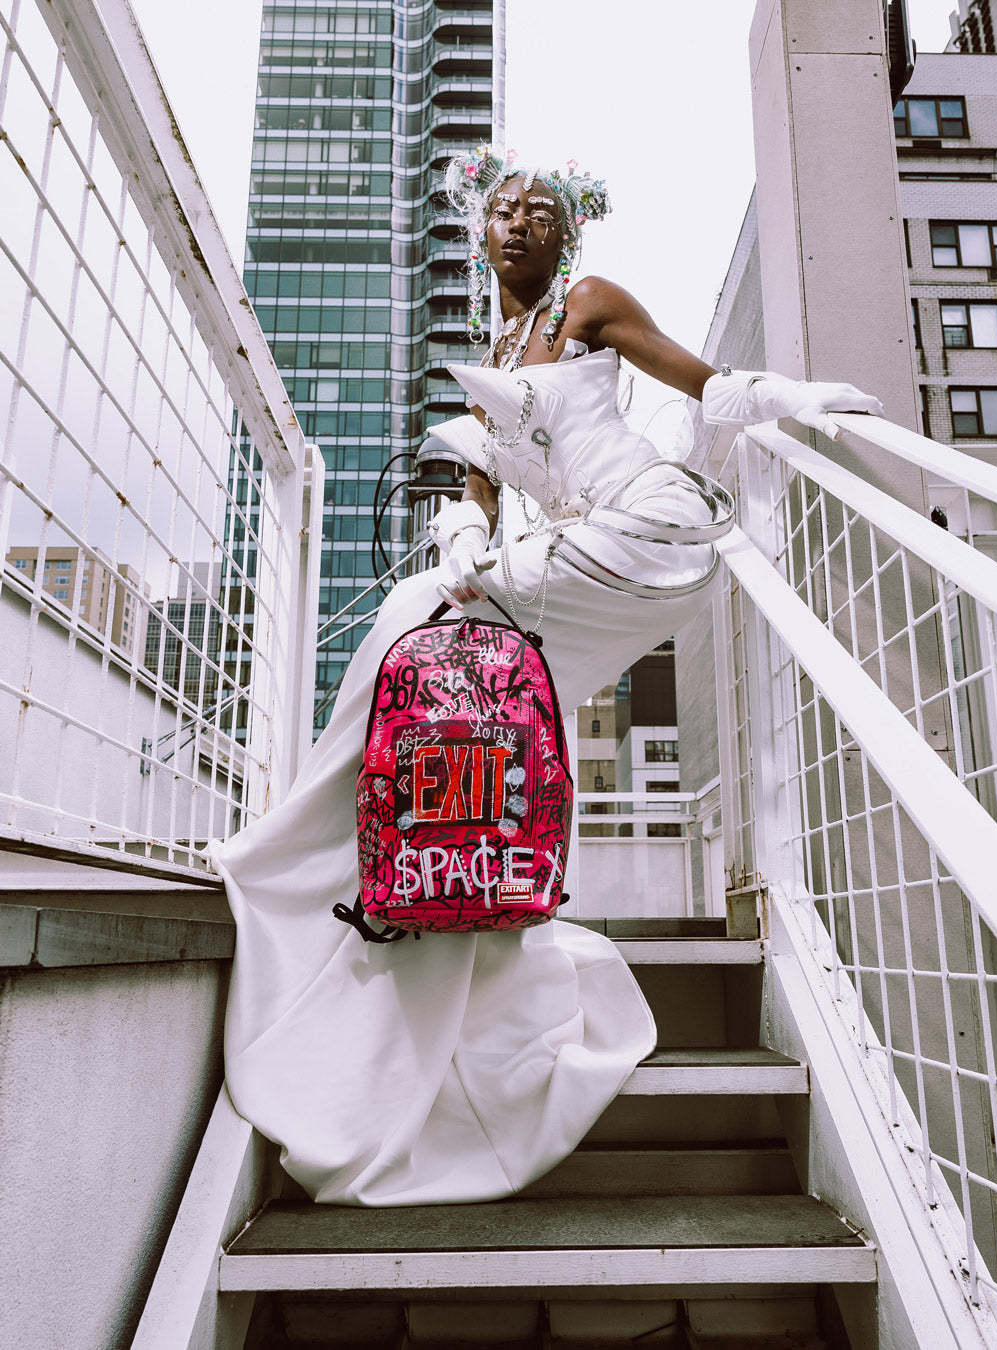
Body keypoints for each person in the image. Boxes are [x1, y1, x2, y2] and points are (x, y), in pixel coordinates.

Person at [209, 147, 883, 1207]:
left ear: (568, 235)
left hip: (648, 529)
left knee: (418, 620)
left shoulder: (588, 304)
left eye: (539, 210)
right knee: (435, 656)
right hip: (571, 555)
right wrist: (464, 531)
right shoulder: (493, 352)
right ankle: (385, 874)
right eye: (503, 209)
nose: (518, 221)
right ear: (480, 235)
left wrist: (799, 399)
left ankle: (299, 844)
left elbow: (708, 385)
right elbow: (480, 485)